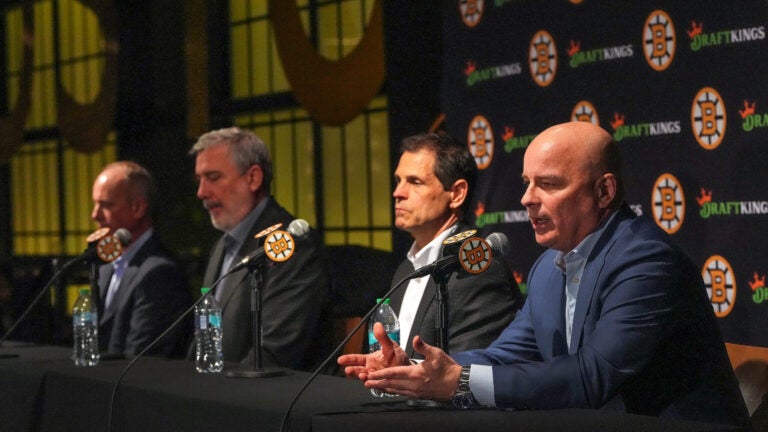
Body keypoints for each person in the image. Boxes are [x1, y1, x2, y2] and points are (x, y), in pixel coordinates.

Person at [339, 122, 750, 427]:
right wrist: (417, 368)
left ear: (604, 192)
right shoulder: (548, 269)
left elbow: (592, 376)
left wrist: (456, 382)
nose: (526, 198)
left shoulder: (645, 261)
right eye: (525, 183)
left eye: (548, 184)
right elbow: (506, 353)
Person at [190, 126, 329, 371]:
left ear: (253, 178)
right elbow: (204, 337)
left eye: (213, 178)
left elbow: (276, 352)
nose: (201, 192)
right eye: (199, 180)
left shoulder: (289, 244)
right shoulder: (222, 244)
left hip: (263, 399)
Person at [387, 132, 521, 358]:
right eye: (398, 181)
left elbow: (469, 373)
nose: (398, 192)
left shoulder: (478, 267)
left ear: (457, 194)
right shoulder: (405, 268)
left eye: (415, 182)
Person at [91, 161, 192, 357]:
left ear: (137, 208)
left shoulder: (160, 272)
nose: (95, 215)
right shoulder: (105, 269)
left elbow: (141, 356)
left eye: (106, 205)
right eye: (95, 204)